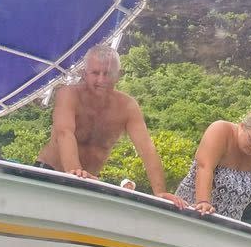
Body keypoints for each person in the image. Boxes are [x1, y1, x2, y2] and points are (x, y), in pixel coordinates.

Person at [36, 45, 184, 208]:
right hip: (51, 172)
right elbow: (64, 133)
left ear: (118, 76)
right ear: (84, 74)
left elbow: (147, 149)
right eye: (95, 73)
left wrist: (160, 192)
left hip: (87, 182)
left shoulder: (127, 107)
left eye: (107, 74)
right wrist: (74, 171)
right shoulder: (68, 94)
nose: (101, 80)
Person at [175, 108, 251, 238]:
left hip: (228, 229)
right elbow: (204, 167)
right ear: (242, 126)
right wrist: (203, 202)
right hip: (192, 212)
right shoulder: (220, 130)